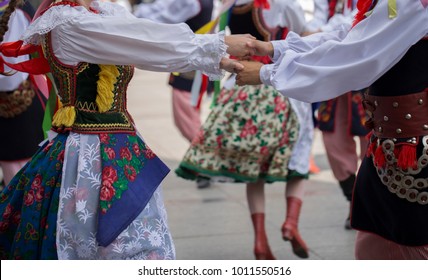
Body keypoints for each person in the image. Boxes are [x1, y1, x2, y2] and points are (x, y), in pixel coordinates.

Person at [0, 0, 255, 259]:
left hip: (123, 147)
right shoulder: (68, 22)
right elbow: (141, 41)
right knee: (109, 245)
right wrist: (215, 46)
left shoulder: (102, 13)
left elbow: (144, 34)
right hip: (90, 154)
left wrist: (215, 51)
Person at [235, 0, 428, 259]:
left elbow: (360, 55)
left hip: (414, 151)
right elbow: (352, 34)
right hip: (390, 146)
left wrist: (267, 72)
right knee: (375, 243)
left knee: (411, 246)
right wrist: (274, 48)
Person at [175, 0, 313, 259]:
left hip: (239, 85)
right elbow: (301, 33)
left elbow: (218, 41)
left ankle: (260, 240)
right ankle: (291, 223)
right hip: (274, 82)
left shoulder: (231, 4)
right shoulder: (282, 3)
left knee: (254, 171)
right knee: (298, 159)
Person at [134, 0, 214, 189]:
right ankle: (205, 161)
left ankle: (207, 161)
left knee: (186, 118)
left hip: (191, 65)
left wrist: (134, 13)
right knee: (188, 117)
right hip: (196, 61)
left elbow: (161, 17)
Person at [306, 0, 368, 230]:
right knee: (334, 142)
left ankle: (369, 202)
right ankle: (354, 202)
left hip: (365, 71)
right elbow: (320, 17)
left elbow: (353, 19)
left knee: (370, 140)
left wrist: (318, 32)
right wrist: (307, 30)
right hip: (334, 72)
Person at [0, 0, 46, 189]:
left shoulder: (13, 12)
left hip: (18, 114)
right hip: (15, 115)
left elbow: (12, 77)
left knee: (23, 185)